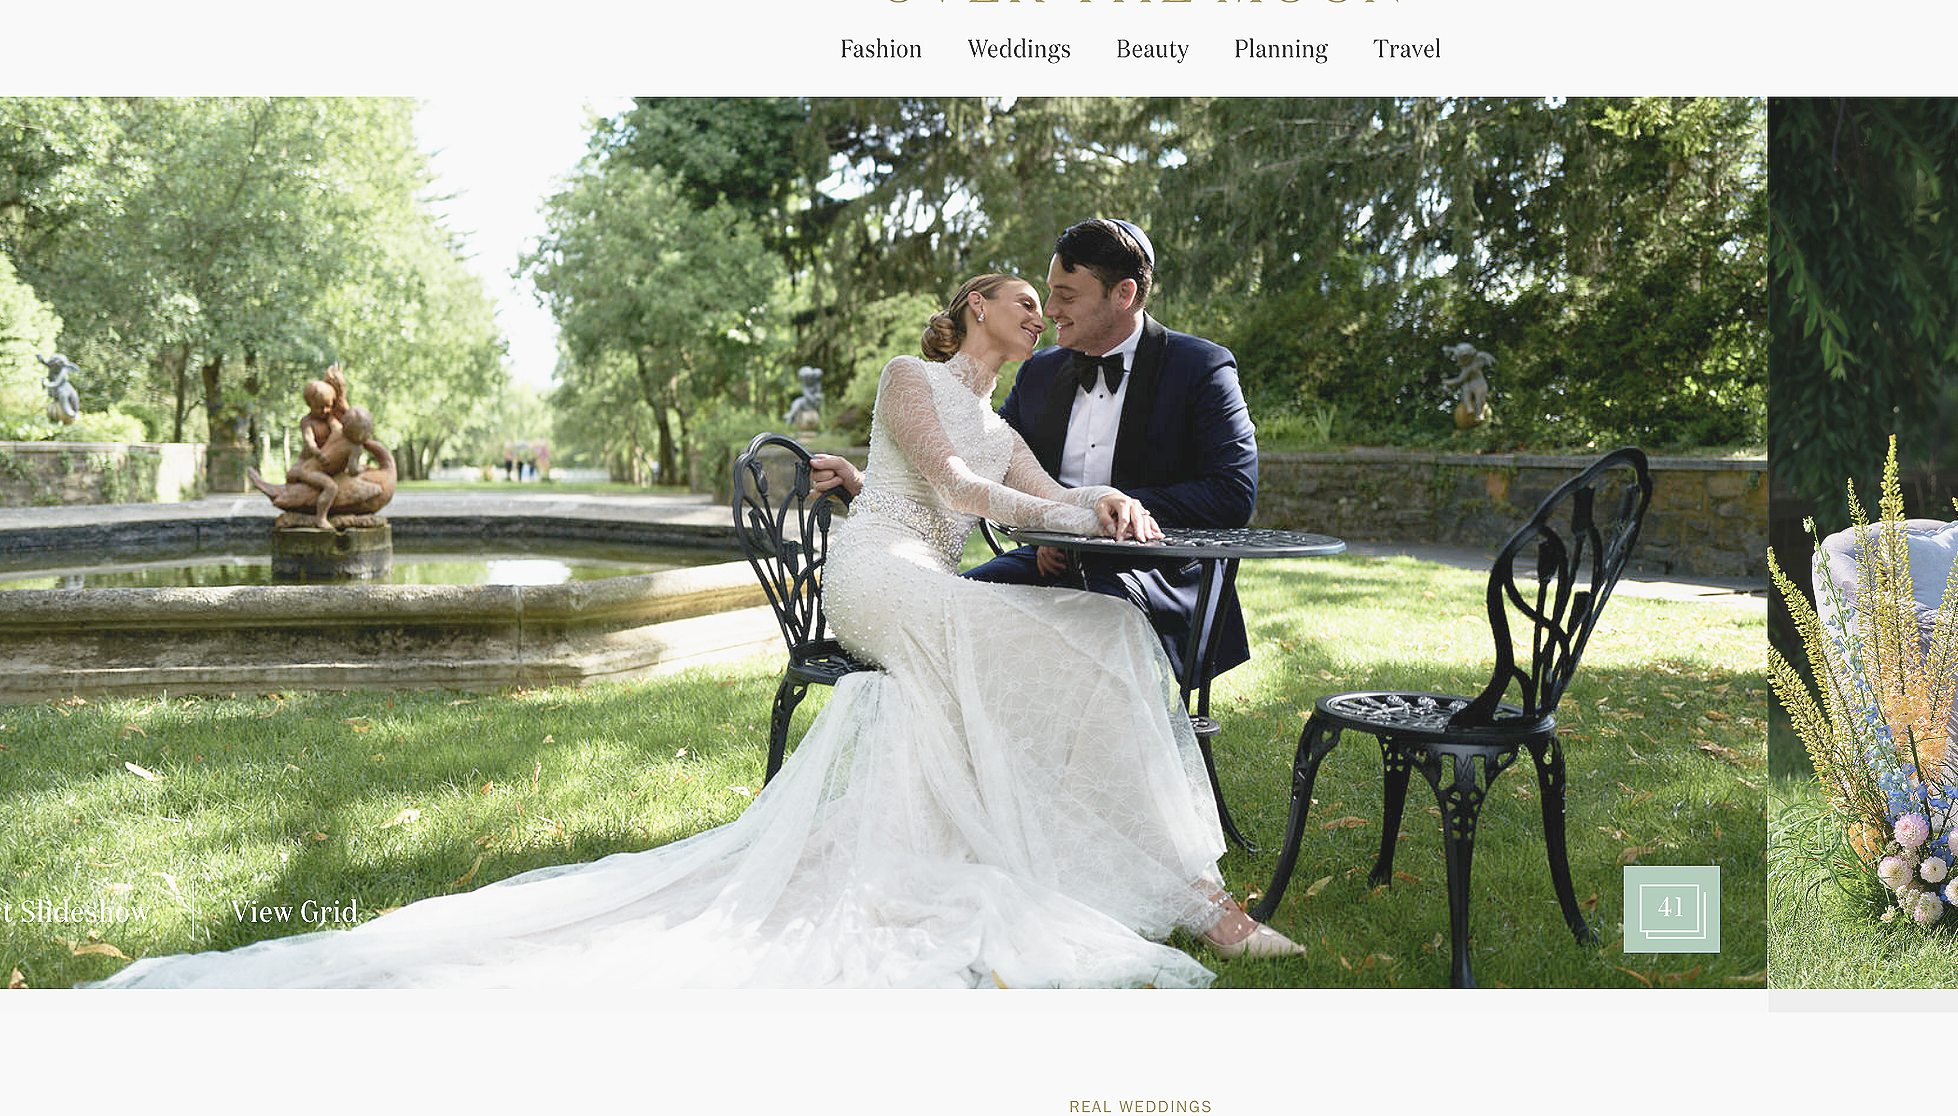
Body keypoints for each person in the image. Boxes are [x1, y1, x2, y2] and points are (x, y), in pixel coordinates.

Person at [95, 272, 1297, 990]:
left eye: (1050, 304)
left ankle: (1172, 876)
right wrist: (1051, 503)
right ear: (969, 308)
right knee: (1041, 638)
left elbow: (1031, 486)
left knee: (1104, 631)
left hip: (937, 577)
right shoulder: (905, 377)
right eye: (1021, 298)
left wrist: (1107, 505)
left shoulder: (1006, 406)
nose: (1039, 313)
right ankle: (1170, 891)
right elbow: (975, 498)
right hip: (878, 575)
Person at [817, 217, 1260, 687]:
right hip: (1042, 557)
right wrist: (869, 484)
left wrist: (1107, 516)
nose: (1049, 311)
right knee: (982, 614)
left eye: (1066, 296)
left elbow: (1231, 494)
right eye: (1043, 295)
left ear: (1123, 295)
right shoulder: (1039, 373)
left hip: (1151, 565)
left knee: (1096, 628)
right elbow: (968, 470)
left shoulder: (1200, 366)